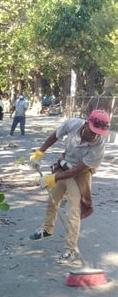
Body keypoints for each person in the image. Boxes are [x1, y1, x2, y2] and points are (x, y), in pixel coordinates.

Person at [29, 109, 110, 262]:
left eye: (99, 132)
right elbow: (55, 136)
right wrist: (40, 152)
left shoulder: (99, 145)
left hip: (80, 174)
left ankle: (70, 249)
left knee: (72, 212)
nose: (95, 135)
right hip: (64, 165)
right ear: (86, 123)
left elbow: (76, 170)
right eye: (93, 131)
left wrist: (51, 178)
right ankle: (47, 229)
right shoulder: (72, 124)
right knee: (52, 200)